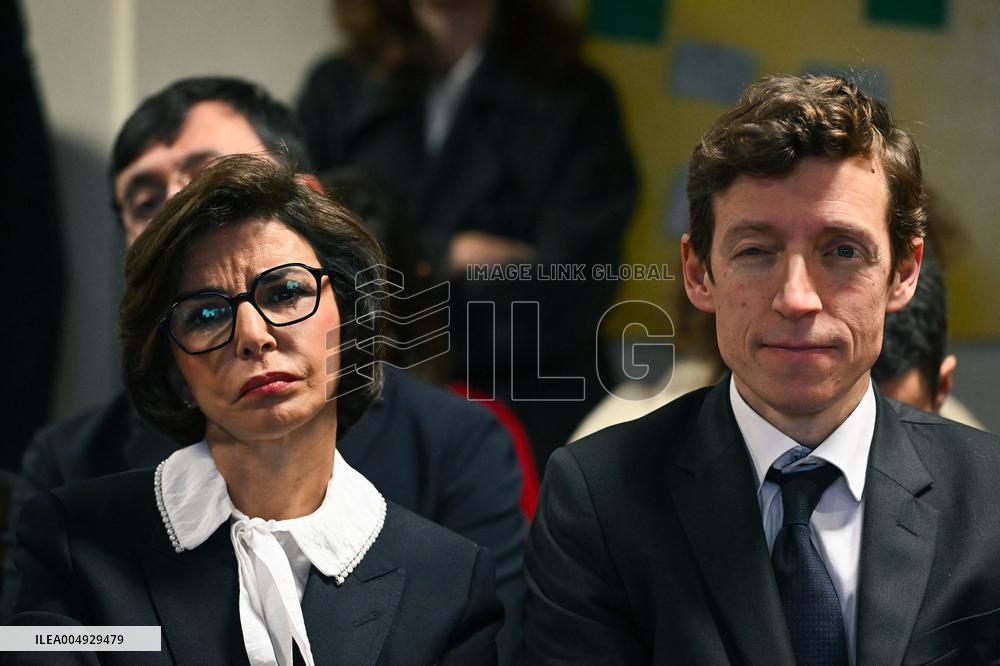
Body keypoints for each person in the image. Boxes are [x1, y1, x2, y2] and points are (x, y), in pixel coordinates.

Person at [5, 77, 525, 663]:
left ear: (347, 311)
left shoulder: (450, 574)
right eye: (205, 314)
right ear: (170, 359)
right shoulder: (72, 531)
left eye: (285, 292)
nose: (254, 336)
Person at [524, 74, 1000, 664]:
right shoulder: (599, 498)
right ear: (698, 273)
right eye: (755, 251)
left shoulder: (988, 498)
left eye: (843, 251)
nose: (796, 298)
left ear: (904, 273)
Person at [297, 0, 638, 462]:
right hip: (355, 408)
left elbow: (572, 290)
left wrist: (385, 278)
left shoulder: (578, 100)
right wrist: (448, 254)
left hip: (523, 411)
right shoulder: (337, 87)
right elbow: (299, 260)